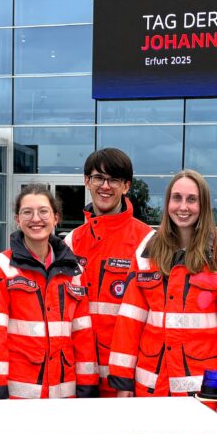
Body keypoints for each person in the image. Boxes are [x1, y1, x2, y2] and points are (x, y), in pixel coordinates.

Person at [107, 169, 217, 415]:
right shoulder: (145, 254)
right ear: (167, 203)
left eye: (191, 199)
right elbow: (129, 322)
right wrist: (122, 380)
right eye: (177, 198)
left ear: (203, 205)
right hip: (151, 388)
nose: (183, 207)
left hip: (204, 392)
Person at [0, 184, 99, 399]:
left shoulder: (75, 271)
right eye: (27, 212)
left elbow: (83, 335)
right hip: (17, 397)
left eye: (43, 211)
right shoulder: (0, 268)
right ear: (17, 219)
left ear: (55, 218)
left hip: (64, 393)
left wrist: (88, 384)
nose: (36, 219)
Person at [64, 148, 154, 395]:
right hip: (78, 377)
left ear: (126, 186)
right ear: (86, 182)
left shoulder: (147, 242)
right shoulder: (70, 243)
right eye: (97, 178)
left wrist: (128, 377)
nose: (105, 186)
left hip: (123, 380)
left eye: (114, 179)